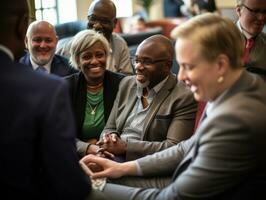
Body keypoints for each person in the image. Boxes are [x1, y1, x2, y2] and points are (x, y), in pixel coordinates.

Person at [80, 13, 266, 200]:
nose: (182, 76)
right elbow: (186, 148)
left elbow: (173, 197)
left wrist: (95, 187)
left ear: (220, 65)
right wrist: (123, 168)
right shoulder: (242, 86)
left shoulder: (235, 121)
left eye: (188, 66)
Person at [0, 0, 99, 199]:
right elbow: (67, 179)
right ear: (24, 34)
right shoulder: (50, 88)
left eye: (48, 40)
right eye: (37, 40)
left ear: (57, 41)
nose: (43, 45)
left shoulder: (72, 71)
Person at [97, 34, 197, 161]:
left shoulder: (184, 96)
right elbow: (110, 127)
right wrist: (109, 139)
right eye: (137, 60)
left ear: (167, 65)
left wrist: (126, 147)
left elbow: (174, 147)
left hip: (146, 161)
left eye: (147, 62)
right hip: (113, 155)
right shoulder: (127, 84)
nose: (138, 67)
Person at [65, 29, 125, 158]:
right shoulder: (66, 87)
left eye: (99, 55)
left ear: (106, 56)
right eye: (87, 56)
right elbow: (60, 134)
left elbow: (128, 128)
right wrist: (88, 147)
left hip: (114, 154)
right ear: (77, 59)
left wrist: (102, 144)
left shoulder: (122, 84)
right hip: (76, 155)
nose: (94, 61)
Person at [87, 0, 133, 75]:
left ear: (114, 23)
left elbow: (127, 78)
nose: (97, 25)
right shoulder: (74, 46)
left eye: (104, 21)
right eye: (93, 19)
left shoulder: (120, 44)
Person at [235, 0, 266, 80]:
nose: (261, 17)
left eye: (265, 11)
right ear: (239, 10)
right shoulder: (220, 38)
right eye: (255, 11)